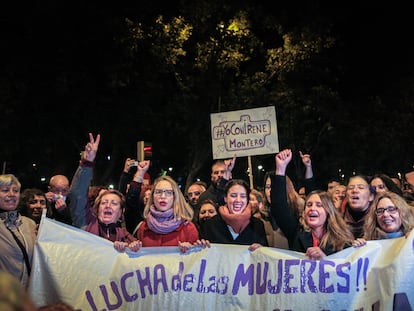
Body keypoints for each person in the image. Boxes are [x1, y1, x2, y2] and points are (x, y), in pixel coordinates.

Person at [270, 149, 354, 259]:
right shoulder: (296, 233)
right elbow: (279, 208)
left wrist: (324, 260)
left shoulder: (343, 241)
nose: (312, 208)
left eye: (319, 205)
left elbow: (348, 270)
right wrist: (280, 169)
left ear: (328, 211)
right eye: (309, 205)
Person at [131, 175, 209, 253]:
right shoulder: (143, 227)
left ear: (175, 197)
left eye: (168, 192)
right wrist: (133, 249)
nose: (163, 196)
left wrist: (191, 251)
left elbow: (195, 261)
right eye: (158, 192)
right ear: (152, 197)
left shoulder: (188, 228)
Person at [199, 179, 268, 251]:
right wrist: (201, 246)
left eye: (243, 196)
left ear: (247, 200)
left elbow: (266, 255)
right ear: (225, 198)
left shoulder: (257, 225)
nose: (238, 200)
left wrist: (261, 249)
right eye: (233, 195)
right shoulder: (210, 225)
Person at [0, 174, 37, 288]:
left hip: (30, 296)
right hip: (6, 298)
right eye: (5, 190)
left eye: (15, 191)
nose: (11, 194)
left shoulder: (30, 224)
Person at [343, 174, 375, 239]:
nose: (354, 190)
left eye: (361, 187)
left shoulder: (378, 219)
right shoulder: (337, 220)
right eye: (350, 188)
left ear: (371, 196)